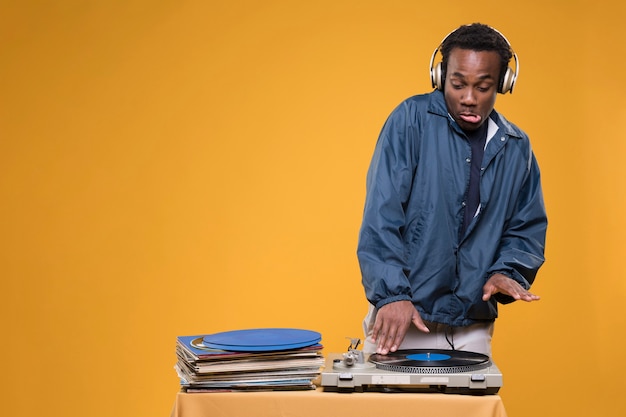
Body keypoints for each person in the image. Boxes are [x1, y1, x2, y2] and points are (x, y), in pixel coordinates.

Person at [357, 23, 547, 357]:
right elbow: (381, 215)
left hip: (472, 326)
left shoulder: (517, 146)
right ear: (441, 75)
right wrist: (392, 296)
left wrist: (506, 271)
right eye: (458, 84)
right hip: (402, 318)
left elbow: (526, 226)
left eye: (484, 87)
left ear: (504, 84)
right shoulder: (409, 121)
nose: (469, 98)